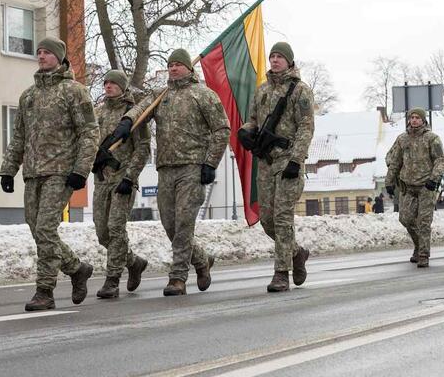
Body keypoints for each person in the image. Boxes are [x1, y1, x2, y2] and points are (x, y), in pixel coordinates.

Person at [114, 48, 229, 296]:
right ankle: (201, 260)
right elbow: (141, 109)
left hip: (192, 167)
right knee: (170, 225)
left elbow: (222, 130)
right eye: (170, 65)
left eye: (178, 64)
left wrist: (210, 163)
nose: (173, 68)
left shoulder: (203, 95)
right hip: (165, 168)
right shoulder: (161, 95)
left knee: (184, 224)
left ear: (188, 67)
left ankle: (177, 278)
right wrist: (127, 121)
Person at [0, 36, 98, 311]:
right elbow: (19, 136)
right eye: (39, 52)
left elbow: (90, 132)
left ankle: (44, 291)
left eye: (47, 52)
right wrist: (8, 170)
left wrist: (81, 170)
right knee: (37, 229)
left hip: (61, 172)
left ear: (59, 57)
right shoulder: (28, 96)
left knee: (45, 228)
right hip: (33, 172)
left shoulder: (74, 91)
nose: (41, 56)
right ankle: (77, 268)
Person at [236, 42, 314, 291]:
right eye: (272, 56)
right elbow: (254, 120)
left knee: (281, 218)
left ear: (289, 61)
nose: (275, 60)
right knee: (267, 219)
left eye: (280, 56)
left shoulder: (300, 90)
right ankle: (297, 253)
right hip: (266, 162)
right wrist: (245, 132)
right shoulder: (262, 90)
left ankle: (281, 273)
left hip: (288, 160)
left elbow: (306, 127)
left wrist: (296, 160)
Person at [91, 70, 151, 298]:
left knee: (116, 228)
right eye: (106, 82)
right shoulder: (98, 112)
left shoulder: (132, 115)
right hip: (101, 179)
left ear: (123, 87)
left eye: (113, 83)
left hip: (122, 179)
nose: (108, 86)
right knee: (102, 232)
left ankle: (112, 280)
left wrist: (130, 176)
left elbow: (143, 148)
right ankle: (134, 262)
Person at [385, 108, 444, 267]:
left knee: (424, 222)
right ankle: (419, 246)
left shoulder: (432, 138)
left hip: (426, 186)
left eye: (417, 117)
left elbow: (441, 160)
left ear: (423, 120)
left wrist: (433, 179)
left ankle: (423, 255)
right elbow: (395, 161)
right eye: (412, 117)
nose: (414, 120)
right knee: (405, 218)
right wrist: (389, 181)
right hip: (408, 187)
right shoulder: (402, 139)